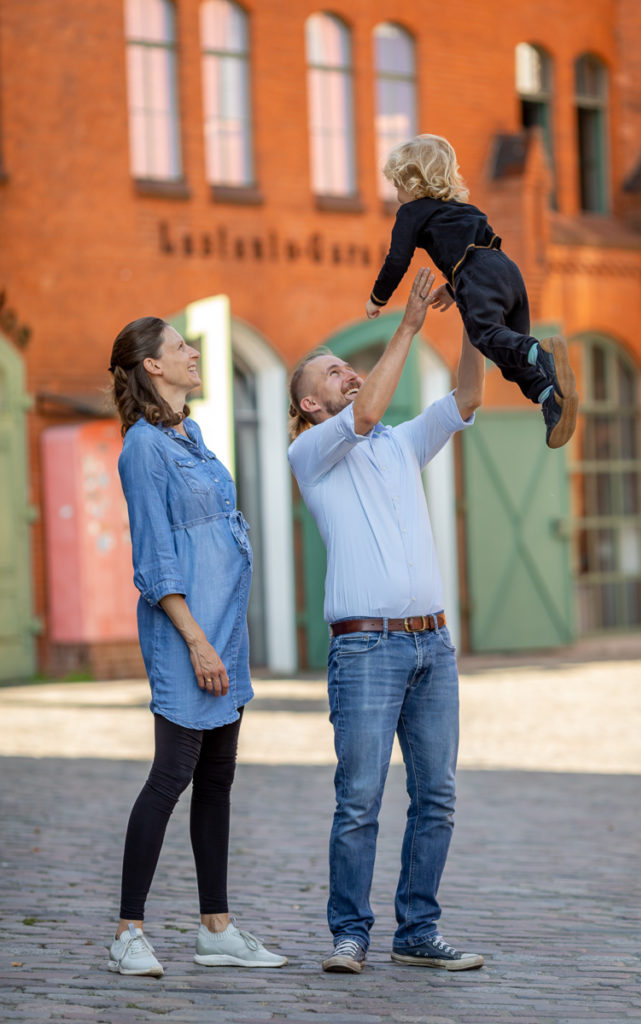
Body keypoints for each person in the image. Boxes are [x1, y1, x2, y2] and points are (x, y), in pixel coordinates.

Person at [288, 268, 485, 974]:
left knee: (436, 795)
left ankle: (417, 930)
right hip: (365, 650)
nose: (347, 375)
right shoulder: (311, 454)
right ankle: (349, 933)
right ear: (311, 404)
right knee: (361, 798)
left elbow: (464, 398)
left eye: (348, 367)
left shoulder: (400, 444)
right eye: (335, 372)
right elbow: (364, 414)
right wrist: (406, 325)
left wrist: (474, 323)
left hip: (433, 644)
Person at [106, 317, 287, 977]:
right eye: (180, 345)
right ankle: (128, 932)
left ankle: (216, 929)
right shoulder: (143, 449)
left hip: (224, 634)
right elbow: (155, 562)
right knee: (170, 777)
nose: (193, 351)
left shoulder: (193, 434)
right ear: (152, 367)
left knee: (216, 780)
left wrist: (221, 642)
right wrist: (196, 643)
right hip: (189, 638)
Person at [366, 133, 578, 450]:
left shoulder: (411, 212)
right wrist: (453, 289)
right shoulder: (463, 209)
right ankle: (551, 398)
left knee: (487, 336)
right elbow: (478, 248)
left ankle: (541, 353)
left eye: (397, 185)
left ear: (413, 182)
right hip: (507, 270)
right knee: (510, 359)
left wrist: (377, 298)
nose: (396, 195)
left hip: (476, 275)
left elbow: (397, 260)